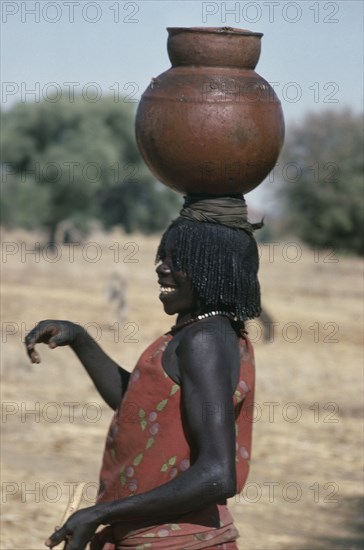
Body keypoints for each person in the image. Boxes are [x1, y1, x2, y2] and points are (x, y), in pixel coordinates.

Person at [25, 195, 261, 550]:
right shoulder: (198, 333)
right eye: (162, 256)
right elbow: (139, 407)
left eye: (178, 260)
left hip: (179, 542)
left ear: (214, 269)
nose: (161, 267)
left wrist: (101, 513)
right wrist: (80, 338)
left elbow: (217, 475)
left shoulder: (205, 342)